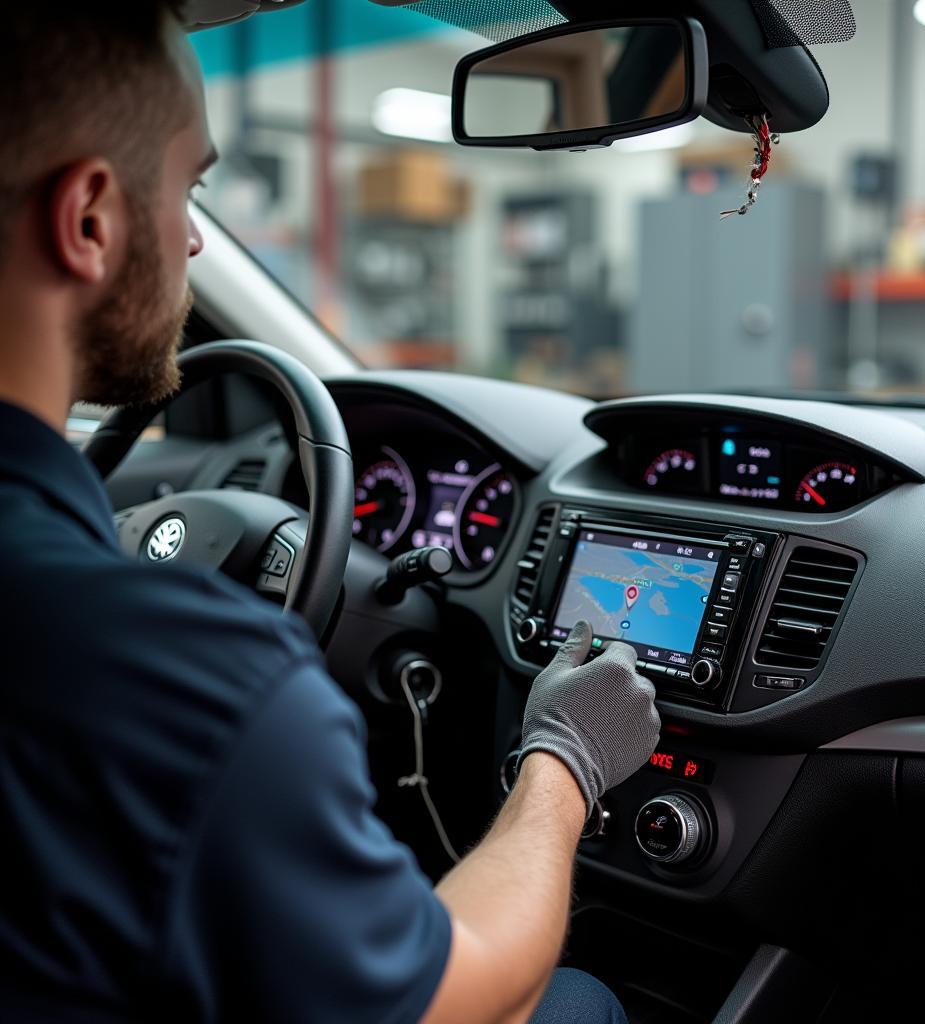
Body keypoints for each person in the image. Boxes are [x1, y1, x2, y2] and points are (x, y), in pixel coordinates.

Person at [0, 3, 662, 1022]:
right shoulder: (193, 683)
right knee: (581, 999)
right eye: (190, 186)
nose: (188, 234)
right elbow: (471, 994)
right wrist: (566, 761)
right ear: (88, 218)